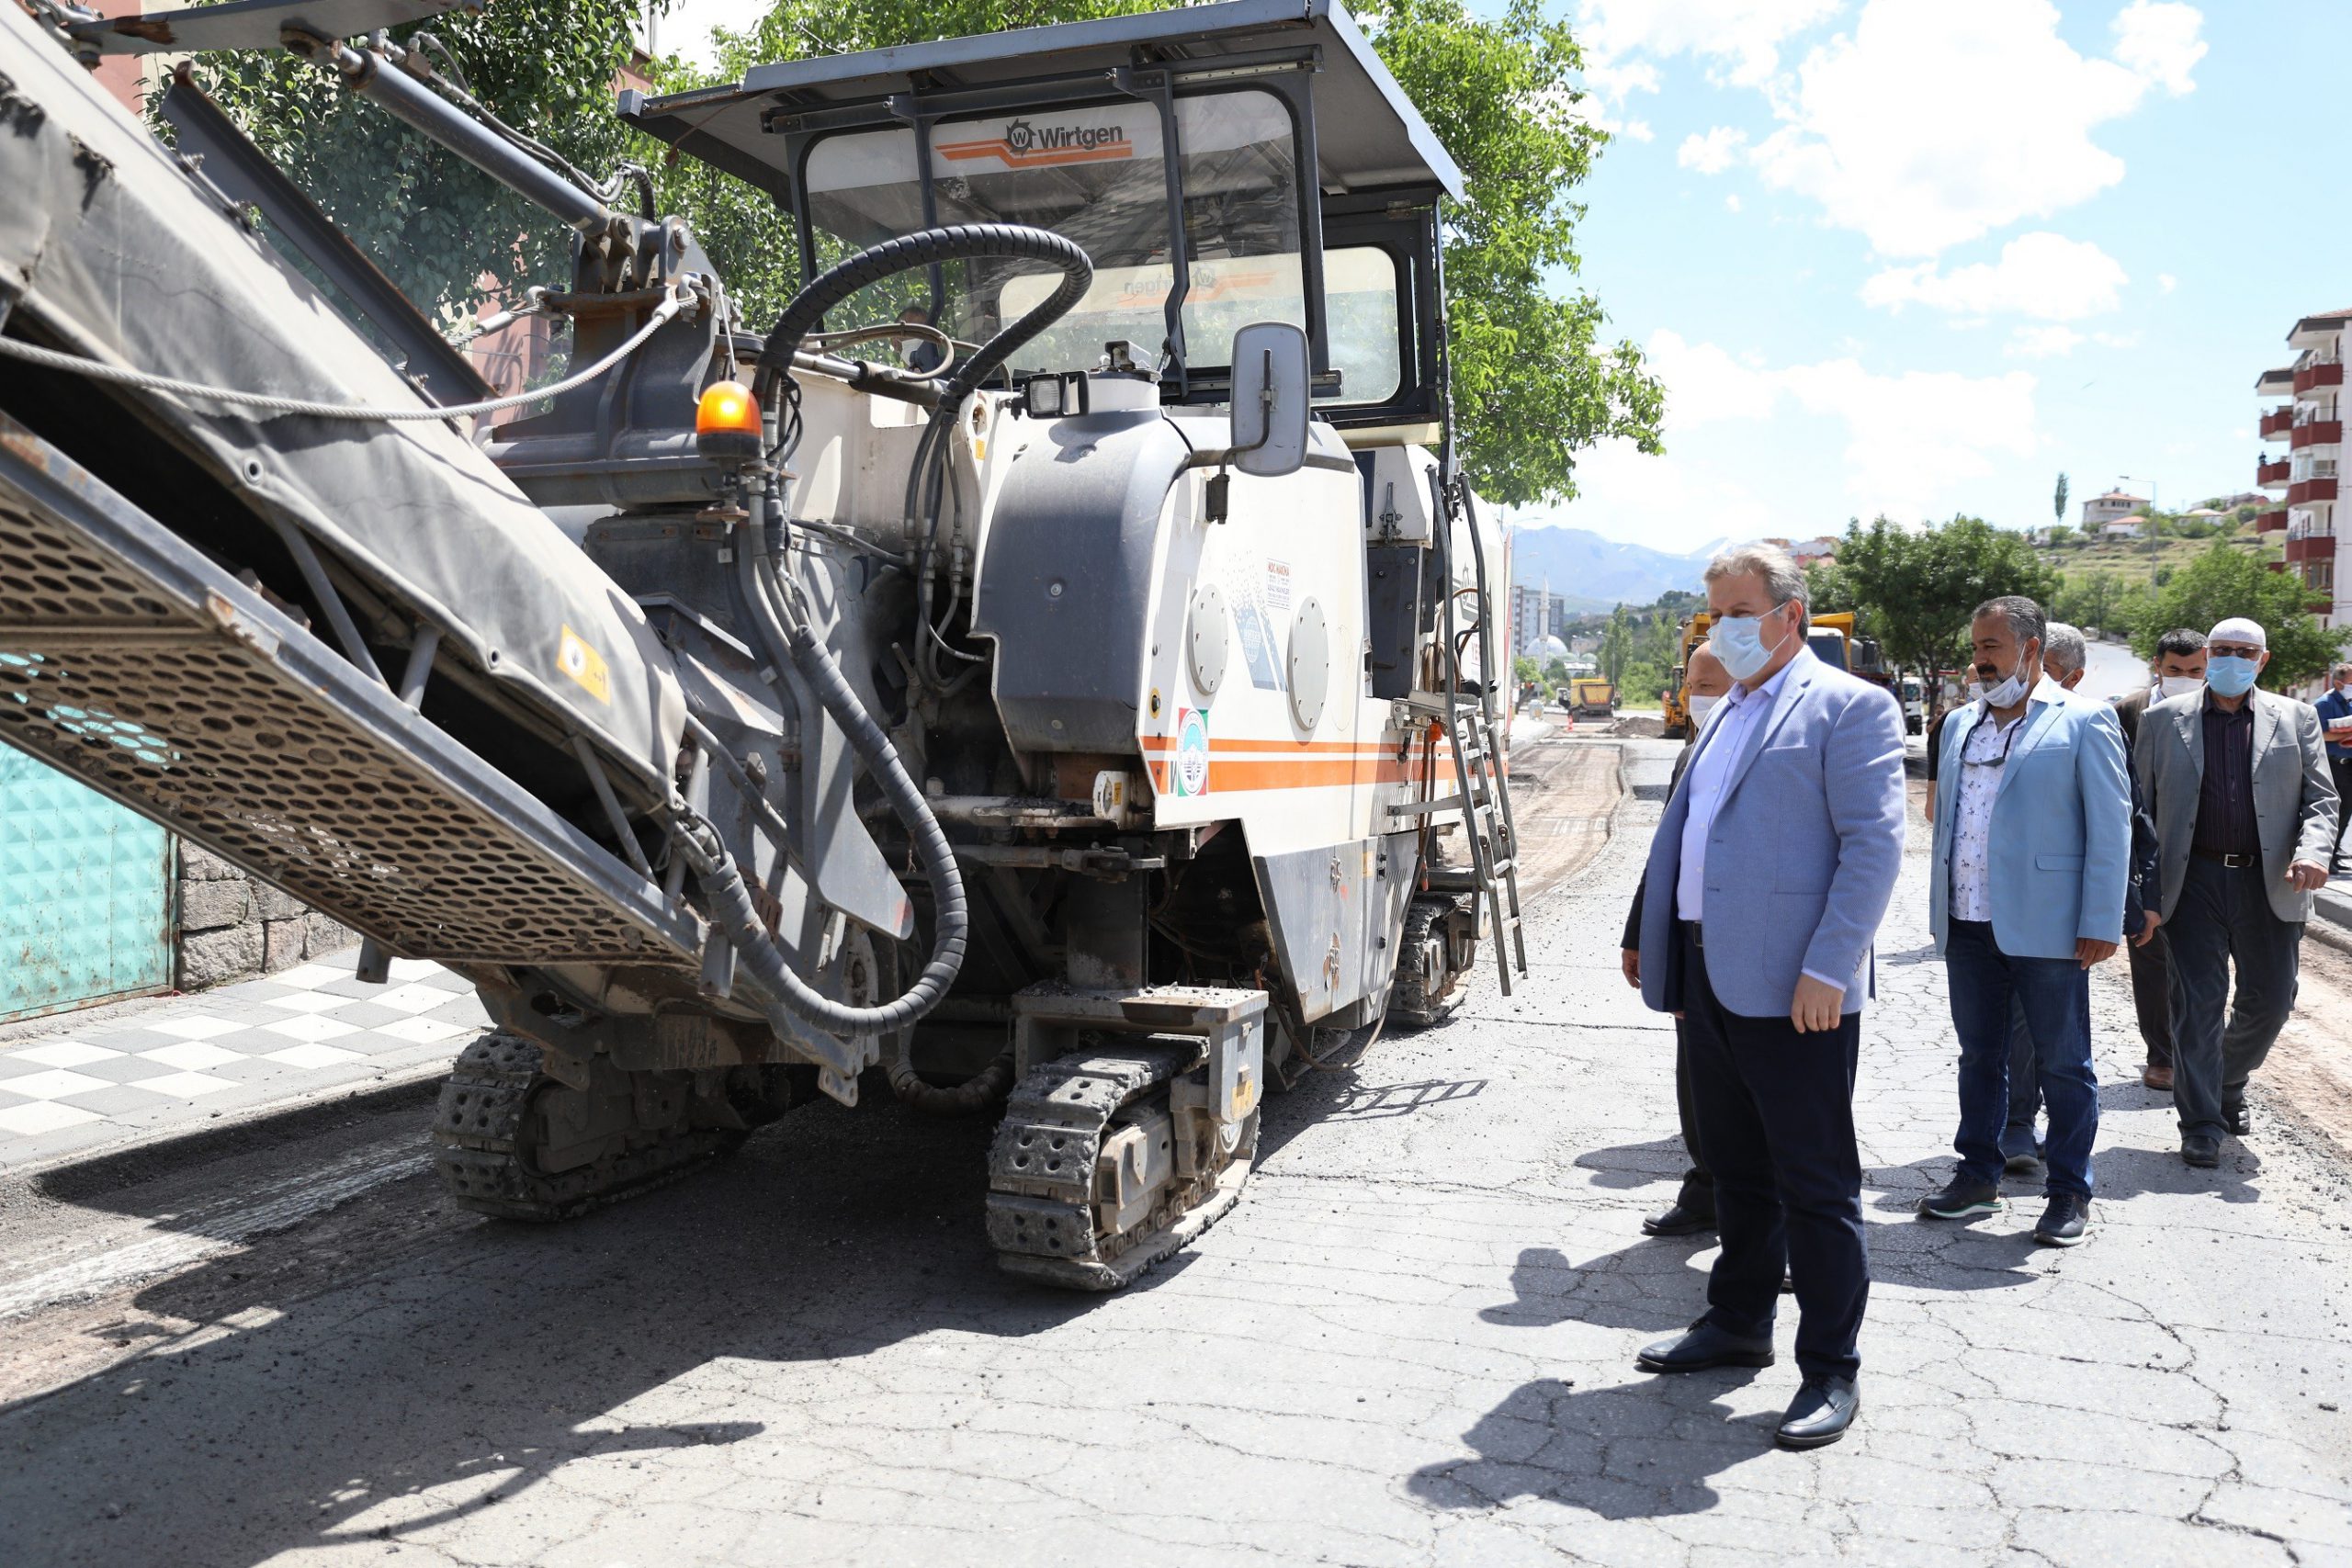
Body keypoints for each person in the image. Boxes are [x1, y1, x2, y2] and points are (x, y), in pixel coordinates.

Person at [1624, 543, 1905, 1450]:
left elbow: (1872, 848)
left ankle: (1830, 1370)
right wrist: (1655, 935)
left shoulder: (1849, 708)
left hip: (1798, 989)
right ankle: (1737, 1320)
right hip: (1710, 975)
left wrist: (1830, 965)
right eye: (1713, 616)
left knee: (1814, 1184)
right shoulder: (1726, 712)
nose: (1722, 632)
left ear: (1791, 616)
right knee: (1737, 1170)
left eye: (1737, 613)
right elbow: (1690, 834)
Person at [1917, 604, 2130, 1247]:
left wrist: (2101, 918)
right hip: (1968, 919)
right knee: (1979, 1055)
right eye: (1976, 646)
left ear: (2032, 648)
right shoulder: (1959, 724)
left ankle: (2068, 1191)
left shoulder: (2084, 719)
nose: (1980, 659)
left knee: (2065, 1063)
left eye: (1993, 646)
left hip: (2052, 927)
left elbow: (2111, 828)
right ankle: (1977, 1173)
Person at [2136, 617, 2340, 1168]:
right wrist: (2141, 892)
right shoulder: (2162, 720)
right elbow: (2141, 812)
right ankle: (2201, 1121)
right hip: (2192, 882)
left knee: (2271, 1001)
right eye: (2221, 650)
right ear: (2208, 653)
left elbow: (2322, 800)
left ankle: (2227, 1081)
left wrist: (2313, 852)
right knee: (2196, 1004)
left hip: (2269, 880)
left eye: (2242, 652)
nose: (2230, 660)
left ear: (2262, 660)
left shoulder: (2296, 717)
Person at [1621, 645, 1735, 1237]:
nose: (1693, 698)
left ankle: (1777, 1225)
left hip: (1753, 947)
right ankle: (1706, 1189)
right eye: (1689, 686)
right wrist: (1639, 933)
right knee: (1696, 1077)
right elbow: (1665, 856)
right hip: (1690, 944)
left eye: (1705, 685)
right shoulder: (1691, 751)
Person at [2112, 628, 2208, 1090]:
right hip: (2143, 854)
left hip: (2202, 855)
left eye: (2196, 672)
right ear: (2157, 666)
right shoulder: (2128, 710)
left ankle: (2204, 1055)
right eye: (2175, 671)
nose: (2186, 679)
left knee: (2201, 960)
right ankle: (2162, 1055)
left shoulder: (2221, 708)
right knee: (2149, 955)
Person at [2316, 662, 2352, 874]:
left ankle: (2334, 854)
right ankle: (2324, 858)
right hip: (2333, 765)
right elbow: (2319, 734)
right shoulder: (2324, 703)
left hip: (2348, 766)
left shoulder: (2349, 702)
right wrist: (2345, 735)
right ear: (2338, 683)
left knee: (2345, 812)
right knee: (2333, 813)